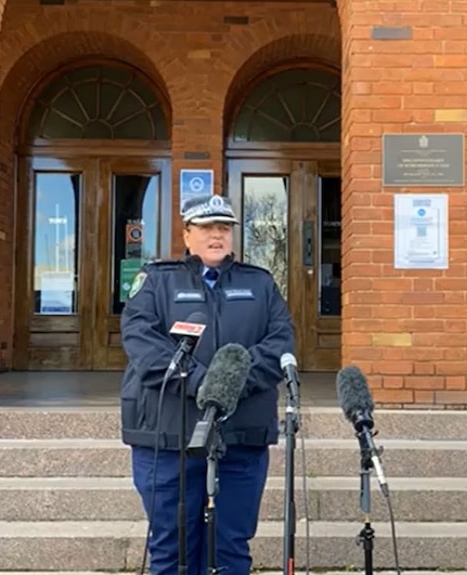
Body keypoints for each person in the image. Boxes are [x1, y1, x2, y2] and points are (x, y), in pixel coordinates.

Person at [119, 194, 295, 575]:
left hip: (240, 435)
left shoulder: (260, 284)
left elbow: (280, 344)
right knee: (171, 547)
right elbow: (143, 345)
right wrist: (203, 382)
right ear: (186, 233)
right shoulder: (155, 281)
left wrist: (231, 383)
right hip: (168, 438)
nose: (217, 235)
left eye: (224, 228)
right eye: (206, 227)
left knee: (231, 547)